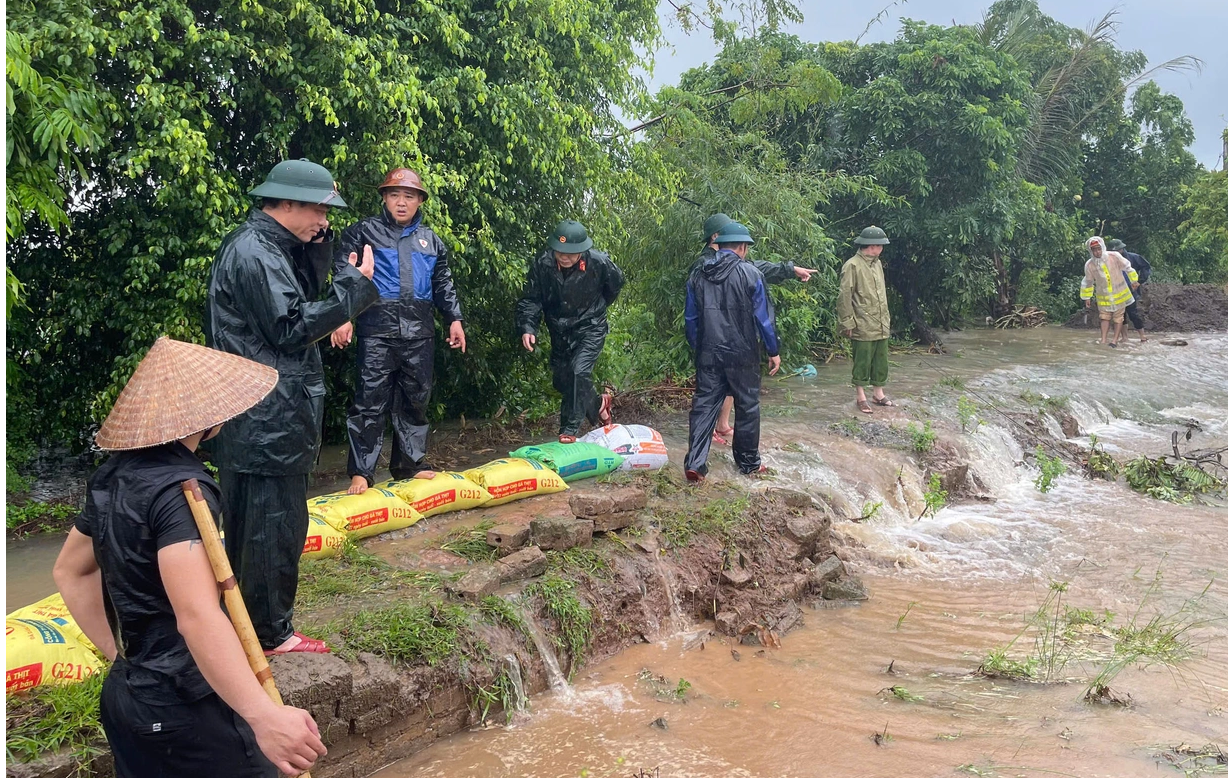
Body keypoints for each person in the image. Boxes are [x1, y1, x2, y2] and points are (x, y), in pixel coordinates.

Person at [53, 337, 327, 778]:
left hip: (127, 700)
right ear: (209, 417)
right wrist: (264, 716)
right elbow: (197, 614)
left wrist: (122, 657)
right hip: (185, 706)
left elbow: (70, 571)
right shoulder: (183, 493)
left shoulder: (111, 477)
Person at [206, 158, 378, 655]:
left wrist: (320, 249)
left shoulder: (266, 246)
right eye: (319, 211)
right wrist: (353, 289)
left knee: (259, 524)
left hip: (263, 412)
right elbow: (291, 326)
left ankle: (248, 629)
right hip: (267, 415)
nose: (325, 222)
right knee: (269, 528)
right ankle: (268, 634)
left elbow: (297, 300)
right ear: (285, 203)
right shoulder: (255, 251)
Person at [329, 168, 466, 494]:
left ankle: (409, 464)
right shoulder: (365, 232)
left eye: (408, 196)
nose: (401, 202)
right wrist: (342, 316)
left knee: (415, 400)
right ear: (384, 198)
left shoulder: (431, 241)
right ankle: (361, 471)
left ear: (419, 200)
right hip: (377, 329)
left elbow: (443, 283)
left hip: (419, 332)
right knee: (369, 401)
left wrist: (454, 319)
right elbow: (344, 273)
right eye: (394, 195)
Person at [697, 213, 816, 446]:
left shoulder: (734, 261)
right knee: (713, 389)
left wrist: (791, 269)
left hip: (730, 336)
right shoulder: (703, 264)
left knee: (729, 386)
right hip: (714, 335)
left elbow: (757, 267)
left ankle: (721, 425)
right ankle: (710, 431)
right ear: (716, 236)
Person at [682, 221, 781, 482]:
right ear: (742, 248)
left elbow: (690, 319)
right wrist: (773, 349)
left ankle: (695, 463)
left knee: (704, 406)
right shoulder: (751, 274)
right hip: (743, 352)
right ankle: (748, 464)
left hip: (708, 352)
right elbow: (764, 318)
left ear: (719, 246)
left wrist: (698, 347)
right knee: (747, 406)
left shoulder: (697, 274)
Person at [515, 219, 624, 443]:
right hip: (559, 329)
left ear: (581, 251)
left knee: (578, 371)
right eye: (559, 251)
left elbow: (615, 285)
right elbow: (531, 299)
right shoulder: (542, 264)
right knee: (563, 381)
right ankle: (598, 404)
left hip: (590, 327)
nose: (563, 257)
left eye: (569, 253)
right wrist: (528, 327)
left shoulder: (599, 263)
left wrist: (595, 308)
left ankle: (569, 429)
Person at [836, 226, 893, 414]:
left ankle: (878, 393)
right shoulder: (852, 265)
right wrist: (847, 322)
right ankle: (861, 396)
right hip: (862, 322)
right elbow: (845, 296)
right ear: (872, 246)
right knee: (862, 359)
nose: (882, 249)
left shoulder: (876, 264)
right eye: (880, 245)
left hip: (881, 321)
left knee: (881, 358)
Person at [1081, 236, 1138, 348]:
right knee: (1104, 317)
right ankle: (1103, 340)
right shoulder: (1090, 265)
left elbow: (1128, 267)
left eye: (1099, 249)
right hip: (1104, 296)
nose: (1097, 252)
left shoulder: (1114, 256)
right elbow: (1088, 281)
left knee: (1118, 318)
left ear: (1102, 247)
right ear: (1090, 251)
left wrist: (1134, 280)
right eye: (1094, 250)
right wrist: (1086, 297)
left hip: (1120, 293)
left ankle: (1115, 340)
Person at [1107, 238, 1150, 342]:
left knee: (1133, 313)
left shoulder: (1133, 258)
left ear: (1122, 249)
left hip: (1131, 290)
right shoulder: (1108, 261)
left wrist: (1139, 281)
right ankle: (1124, 337)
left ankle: (1142, 336)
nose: (1115, 253)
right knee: (1120, 315)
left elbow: (1146, 267)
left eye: (1117, 251)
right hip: (1116, 291)